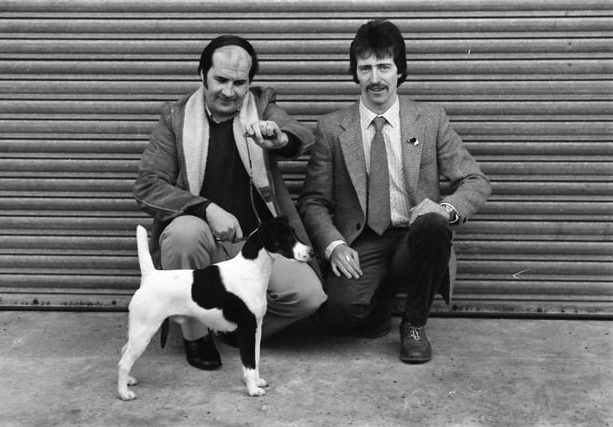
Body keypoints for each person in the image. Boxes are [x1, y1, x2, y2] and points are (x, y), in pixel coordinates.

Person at [298, 20, 491, 363]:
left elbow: (475, 181)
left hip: (414, 236)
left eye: (384, 67)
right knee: (341, 317)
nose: (375, 78)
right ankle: (379, 298)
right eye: (366, 68)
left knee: (433, 225)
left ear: (399, 71)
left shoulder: (429, 119)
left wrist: (443, 209)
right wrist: (334, 245)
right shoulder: (331, 128)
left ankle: (414, 324)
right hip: (363, 241)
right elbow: (313, 200)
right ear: (354, 73)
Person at [133, 35, 326, 371]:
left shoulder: (262, 106)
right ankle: (196, 335)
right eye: (220, 80)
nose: (228, 91)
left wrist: (281, 138)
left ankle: (230, 328)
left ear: (250, 83)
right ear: (202, 75)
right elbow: (148, 186)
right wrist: (205, 208)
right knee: (183, 234)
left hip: (257, 247)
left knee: (308, 295)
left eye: (239, 83)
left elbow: (301, 134)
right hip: (204, 244)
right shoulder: (175, 117)